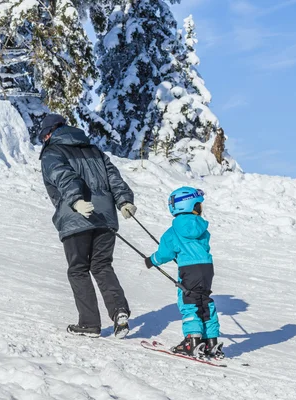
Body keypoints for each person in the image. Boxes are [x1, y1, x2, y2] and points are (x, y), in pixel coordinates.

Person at [38, 114, 137, 339]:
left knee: (78, 268)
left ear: (50, 133)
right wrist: (124, 201)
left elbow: (63, 176)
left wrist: (75, 200)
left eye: (44, 135)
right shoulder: (94, 150)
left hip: (76, 216)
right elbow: (113, 177)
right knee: (102, 266)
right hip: (105, 218)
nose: (44, 139)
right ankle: (119, 310)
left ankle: (90, 323)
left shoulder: (52, 152)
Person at [144, 187, 224, 359]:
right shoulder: (203, 227)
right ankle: (211, 341)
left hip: (189, 270)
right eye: (198, 205)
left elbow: (164, 253)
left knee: (189, 302)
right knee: (204, 301)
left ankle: (192, 341)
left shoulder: (173, 231)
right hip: (207, 269)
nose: (201, 209)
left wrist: (151, 260)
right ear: (191, 205)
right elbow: (202, 248)